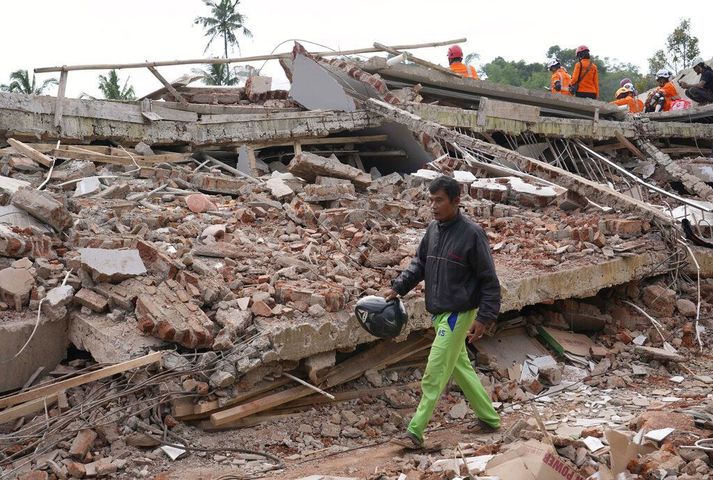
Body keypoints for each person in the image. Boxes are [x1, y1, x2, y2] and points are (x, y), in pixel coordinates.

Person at [384, 175, 501, 449]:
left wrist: (484, 318)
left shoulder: (472, 234)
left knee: (435, 371)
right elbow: (419, 264)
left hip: (458, 314)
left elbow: (489, 280)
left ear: (456, 201)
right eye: (431, 200)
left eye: (439, 200)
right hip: (438, 314)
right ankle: (489, 418)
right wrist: (398, 287)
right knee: (460, 368)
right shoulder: (433, 231)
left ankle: (415, 431)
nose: (433, 206)